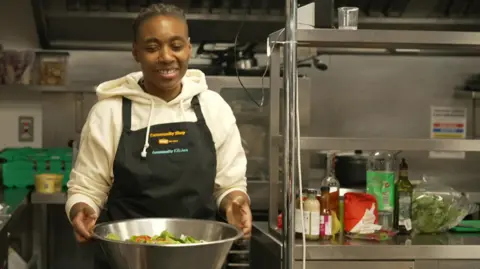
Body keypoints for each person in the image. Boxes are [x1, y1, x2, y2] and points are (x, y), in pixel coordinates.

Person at [65, 3, 251, 267]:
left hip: (197, 257)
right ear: (136, 52)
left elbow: (229, 184)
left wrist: (234, 202)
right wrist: (81, 208)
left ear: (189, 48)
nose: (166, 57)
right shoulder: (109, 112)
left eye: (175, 46)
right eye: (152, 48)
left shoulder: (213, 107)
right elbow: (87, 187)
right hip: (127, 259)